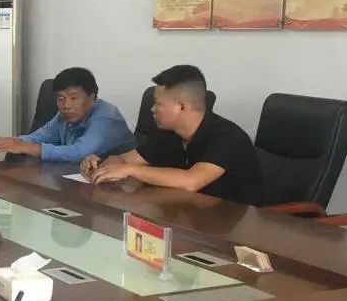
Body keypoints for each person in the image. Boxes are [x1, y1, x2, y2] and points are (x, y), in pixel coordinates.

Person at [80, 65, 263, 206]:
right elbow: (126, 160)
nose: (152, 109)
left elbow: (191, 181)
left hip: (234, 226)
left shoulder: (228, 137)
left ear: (181, 107)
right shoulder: (167, 133)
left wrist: (130, 170)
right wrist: (98, 163)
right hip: (185, 215)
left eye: (158, 103)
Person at [0, 67, 136, 163]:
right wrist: (12, 141)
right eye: (60, 99)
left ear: (92, 97)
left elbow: (80, 153)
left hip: (125, 187)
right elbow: (37, 138)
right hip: (80, 179)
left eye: (73, 98)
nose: (66, 105)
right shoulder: (63, 116)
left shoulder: (106, 118)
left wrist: (25, 147)